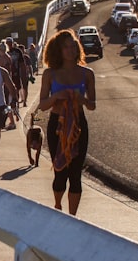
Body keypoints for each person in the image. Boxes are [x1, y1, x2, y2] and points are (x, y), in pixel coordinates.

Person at [36, 29, 97, 216]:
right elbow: (43, 105)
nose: (70, 51)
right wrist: (56, 97)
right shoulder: (50, 74)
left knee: (76, 173)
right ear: (58, 51)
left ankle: (73, 217)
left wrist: (82, 100)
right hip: (57, 125)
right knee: (60, 170)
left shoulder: (87, 73)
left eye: (73, 46)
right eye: (66, 47)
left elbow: (92, 105)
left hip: (78, 125)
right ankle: (57, 207)